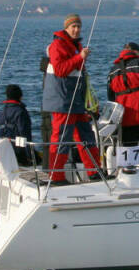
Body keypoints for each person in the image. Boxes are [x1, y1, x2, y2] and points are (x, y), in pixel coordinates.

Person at [41, 14, 104, 184]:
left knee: (86, 136)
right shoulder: (58, 45)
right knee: (62, 138)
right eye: (73, 26)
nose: (76, 30)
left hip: (76, 101)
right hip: (63, 101)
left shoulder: (75, 45)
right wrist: (80, 57)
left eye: (78, 26)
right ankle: (56, 176)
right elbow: (60, 70)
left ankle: (94, 172)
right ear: (66, 28)